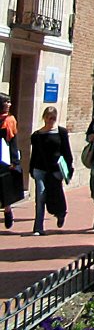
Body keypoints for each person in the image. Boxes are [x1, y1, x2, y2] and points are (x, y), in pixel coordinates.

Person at [29, 106, 74, 235]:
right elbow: (35, 154)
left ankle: (60, 213)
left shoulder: (61, 132)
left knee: (56, 194)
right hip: (40, 169)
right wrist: (31, 170)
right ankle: (38, 227)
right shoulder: (37, 135)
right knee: (40, 197)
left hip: (56, 170)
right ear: (44, 118)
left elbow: (67, 152)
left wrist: (68, 169)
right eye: (49, 118)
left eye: (54, 118)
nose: (51, 121)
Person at [1, 94, 22, 230]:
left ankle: (8, 211)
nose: (9, 105)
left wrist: (15, 161)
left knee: (5, 186)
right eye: (6, 102)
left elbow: (14, 142)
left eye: (9, 102)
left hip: (5, 159)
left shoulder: (10, 121)